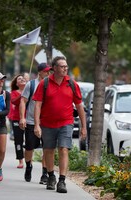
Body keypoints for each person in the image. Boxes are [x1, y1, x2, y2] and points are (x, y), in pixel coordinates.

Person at [33, 56, 87, 193]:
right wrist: (37, 125)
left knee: (63, 149)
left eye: (66, 66)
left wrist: (84, 127)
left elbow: (80, 106)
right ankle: (51, 176)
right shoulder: (44, 84)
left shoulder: (72, 84)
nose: (65, 69)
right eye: (62, 66)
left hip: (66, 122)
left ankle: (62, 180)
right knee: (48, 150)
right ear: (55, 68)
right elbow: (37, 105)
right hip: (47, 123)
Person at [19, 63, 52, 184]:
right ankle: (28, 166)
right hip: (32, 121)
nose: (48, 73)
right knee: (29, 148)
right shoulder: (31, 84)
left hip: (47, 122)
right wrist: (22, 118)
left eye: (50, 71)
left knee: (47, 148)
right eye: (46, 71)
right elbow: (23, 101)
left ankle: (44, 174)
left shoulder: (51, 84)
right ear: (40, 72)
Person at [9, 74, 27, 168]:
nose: (22, 79)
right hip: (17, 119)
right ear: (16, 83)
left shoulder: (30, 91)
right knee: (18, 140)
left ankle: (28, 157)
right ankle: (20, 160)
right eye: (19, 79)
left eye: (23, 78)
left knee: (29, 139)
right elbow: (14, 101)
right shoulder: (14, 93)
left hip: (29, 118)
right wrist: (23, 95)